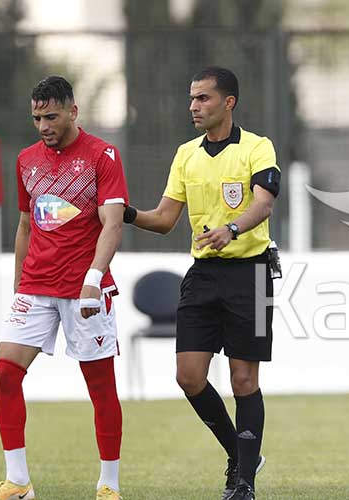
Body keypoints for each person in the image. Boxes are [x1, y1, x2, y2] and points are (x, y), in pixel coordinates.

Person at [123, 66, 280, 500]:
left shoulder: (257, 147)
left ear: (228, 103)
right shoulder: (185, 154)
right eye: (192, 98)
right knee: (189, 377)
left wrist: (230, 229)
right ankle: (241, 454)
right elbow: (165, 219)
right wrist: (127, 213)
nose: (193, 106)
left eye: (203, 98)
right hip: (202, 275)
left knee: (244, 381)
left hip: (252, 273)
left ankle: (244, 482)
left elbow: (263, 205)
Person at [0, 76, 128, 500]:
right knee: (6, 371)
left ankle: (109, 485)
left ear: (73, 111)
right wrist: (18, 288)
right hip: (37, 286)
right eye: (36, 117)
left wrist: (93, 280)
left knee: (100, 386)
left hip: (85, 289)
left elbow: (112, 225)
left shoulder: (104, 155)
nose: (43, 125)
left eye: (51, 116)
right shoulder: (26, 160)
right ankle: (18, 481)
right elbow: (26, 225)